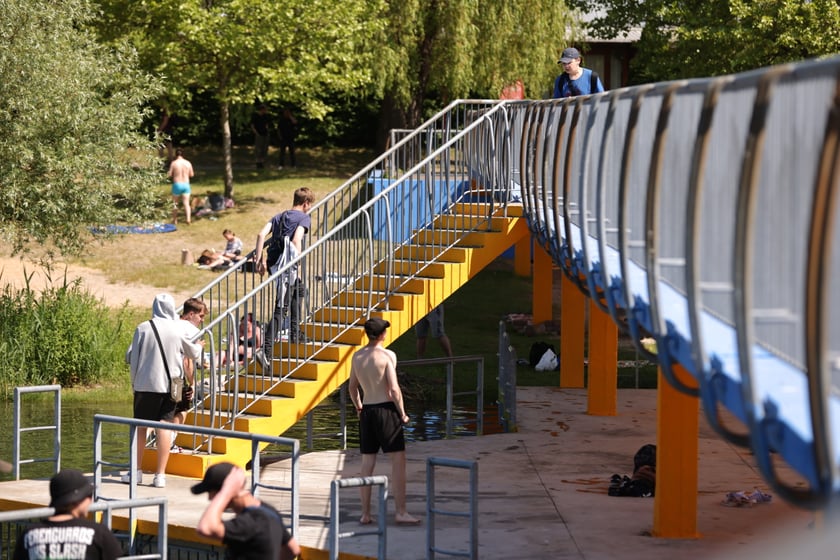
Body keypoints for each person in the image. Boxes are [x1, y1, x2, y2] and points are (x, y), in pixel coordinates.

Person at [123, 294, 202, 488]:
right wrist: (199, 347)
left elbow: (131, 358)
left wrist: (134, 383)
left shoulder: (143, 328)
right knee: (164, 426)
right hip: (170, 385)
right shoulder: (178, 329)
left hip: (145, 385)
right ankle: (160, 475)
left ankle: (137, 472)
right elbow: (194, 353)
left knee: (141, 428)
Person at [348, 317, 420, 525]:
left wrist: (358, 406)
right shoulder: (388, 356)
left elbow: (352, 387)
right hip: (386, 410)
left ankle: (365, 514)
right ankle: (401, 511)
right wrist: (403, 413)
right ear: (382, 335)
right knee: (398, 462)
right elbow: (394, 390)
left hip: (368, 410)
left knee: (367, 463)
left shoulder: (357, 357)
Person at [253, 187, 315, 360]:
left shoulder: (279, 216)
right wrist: (299, 269)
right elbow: (296, 241)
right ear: (306, 203)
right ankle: (265, 350)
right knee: (281, 308)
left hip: (274, 263)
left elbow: (261, 234)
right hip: (287, 266)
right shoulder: (304, 218)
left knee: (300, 291)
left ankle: (295, 333)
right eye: (309, 206)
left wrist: (259, 260)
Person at [193, 462, 302, 560]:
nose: (210, 499)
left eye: (211, 493)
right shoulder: (269, 511)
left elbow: (205, 528)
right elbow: (292, 549)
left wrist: (226, 492)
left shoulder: (249, 522)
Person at [13, 469, 123, 560]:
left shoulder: (29, 535)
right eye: (89, 496)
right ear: (77, 500)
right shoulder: (98, 533)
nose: (91, 500)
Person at [176, 298, 207, 427]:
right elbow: (186, 360)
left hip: (156, 377)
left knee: (155, 415)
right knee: (181, 411)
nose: (202, 320)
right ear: (191, 314)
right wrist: (193, 384)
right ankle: (170, 442)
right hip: (176, 378)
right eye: (201, 316)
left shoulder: (172, 323)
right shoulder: (192, 332)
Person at [168, 148, 195, 225]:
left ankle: (175, 220)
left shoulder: (174, 163)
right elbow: (192, 174)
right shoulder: (188, 163)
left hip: (177, 184)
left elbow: (169, 174)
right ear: (183, 154)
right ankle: (188, 219)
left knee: (175, 203)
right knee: (186, 203)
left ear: (176, 155)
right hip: (186, 184)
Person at [251, 104, 271, 169]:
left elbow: (266, 125)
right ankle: (258, 162)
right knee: (258, 149)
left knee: (264, 148)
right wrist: (256, 133)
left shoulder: (266, 116)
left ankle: (262, 162)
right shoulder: (255, 116)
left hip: (265, 134)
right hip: (259, 134)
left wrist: (267, 132)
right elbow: (252, 125)